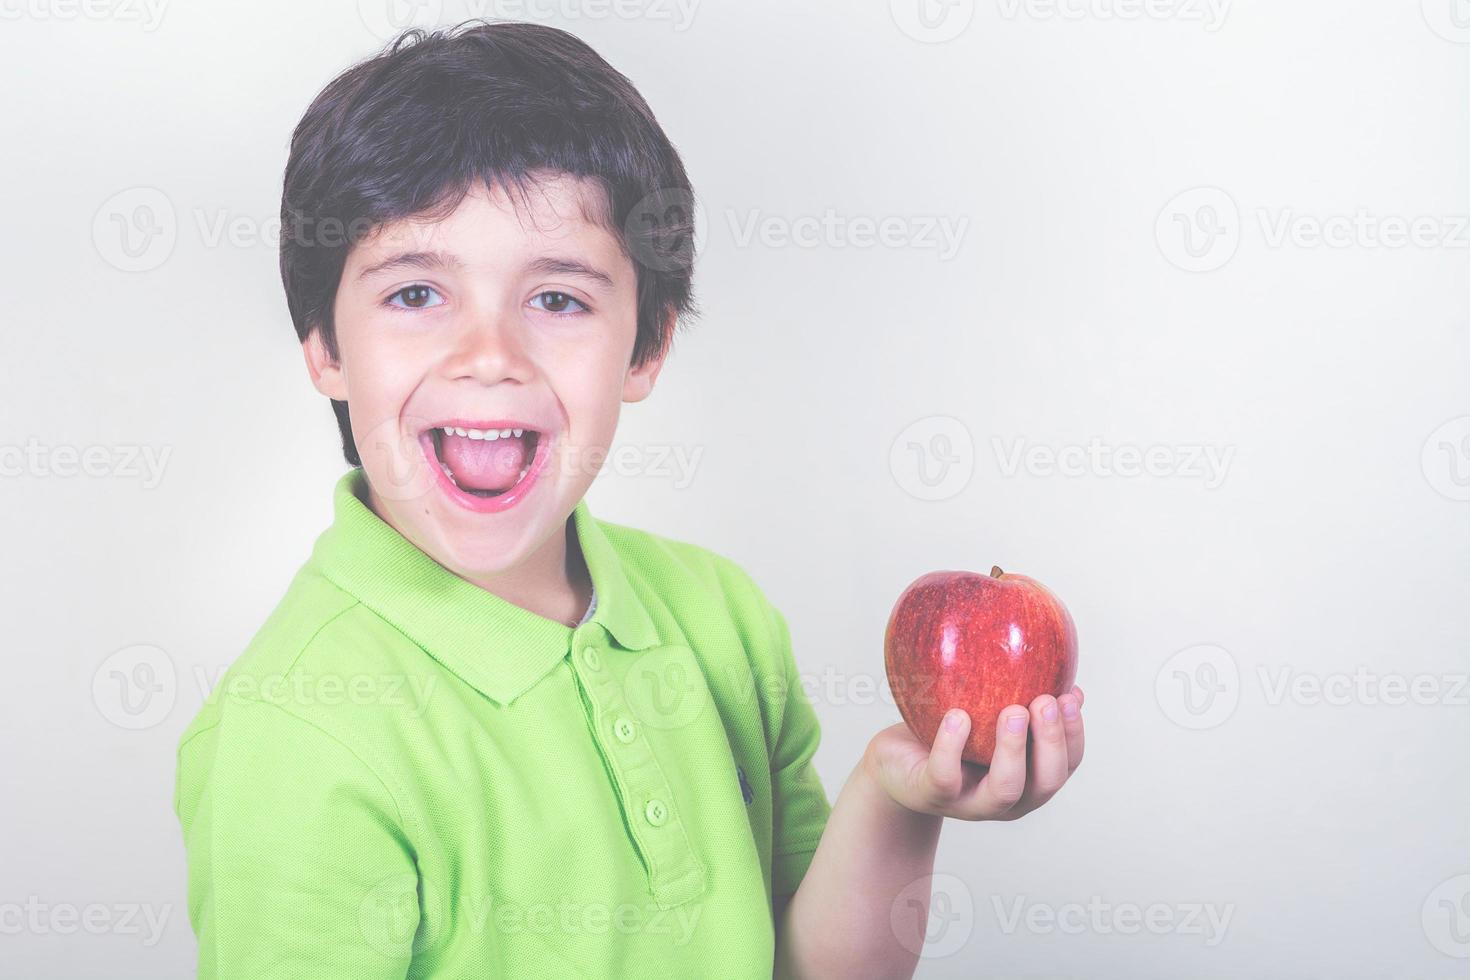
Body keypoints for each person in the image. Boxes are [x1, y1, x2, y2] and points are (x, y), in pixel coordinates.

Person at [173, 20, 1085, 978]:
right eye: (414, 294)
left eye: (558, 299)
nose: (490, 357)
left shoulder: (720, 617)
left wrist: (898, 799)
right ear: (324, 347)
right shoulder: (294, 736)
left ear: (645, 348)